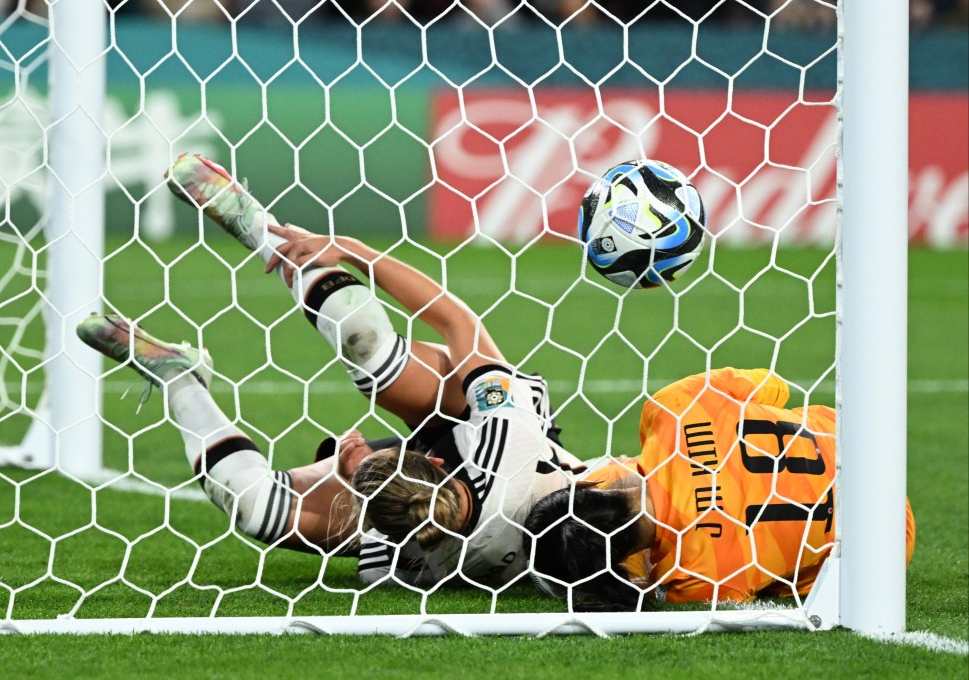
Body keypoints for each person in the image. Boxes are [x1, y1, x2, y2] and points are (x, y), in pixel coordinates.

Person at [76, 153, 583, 588]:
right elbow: (457, 322)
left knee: (251, 507)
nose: (356, 444)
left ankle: (180, 378)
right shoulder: (505, 437)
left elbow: (385, 515)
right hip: (481, 430)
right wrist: (351, 250)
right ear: (432, 462)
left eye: (356, 477)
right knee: (365, 342)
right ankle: (265, 233)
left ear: (371, 519)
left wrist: (350, 472)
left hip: (436, 509)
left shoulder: (409, 564)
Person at [522, 367, 916, 610]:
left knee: (778, 581)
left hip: (886, 542)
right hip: (864, 443)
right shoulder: (672, 409)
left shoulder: (696, 580)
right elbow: (775, 387)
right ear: (590, 486)